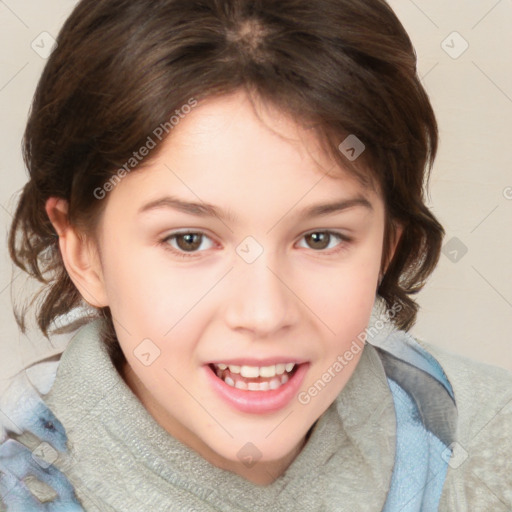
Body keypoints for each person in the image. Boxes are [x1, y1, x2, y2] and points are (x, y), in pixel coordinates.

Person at [1, 0, 511, 510]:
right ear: (84, 252)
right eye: (189, 240)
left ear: (385, 249)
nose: (264, 314)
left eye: (320, 238)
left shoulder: (491, 448)